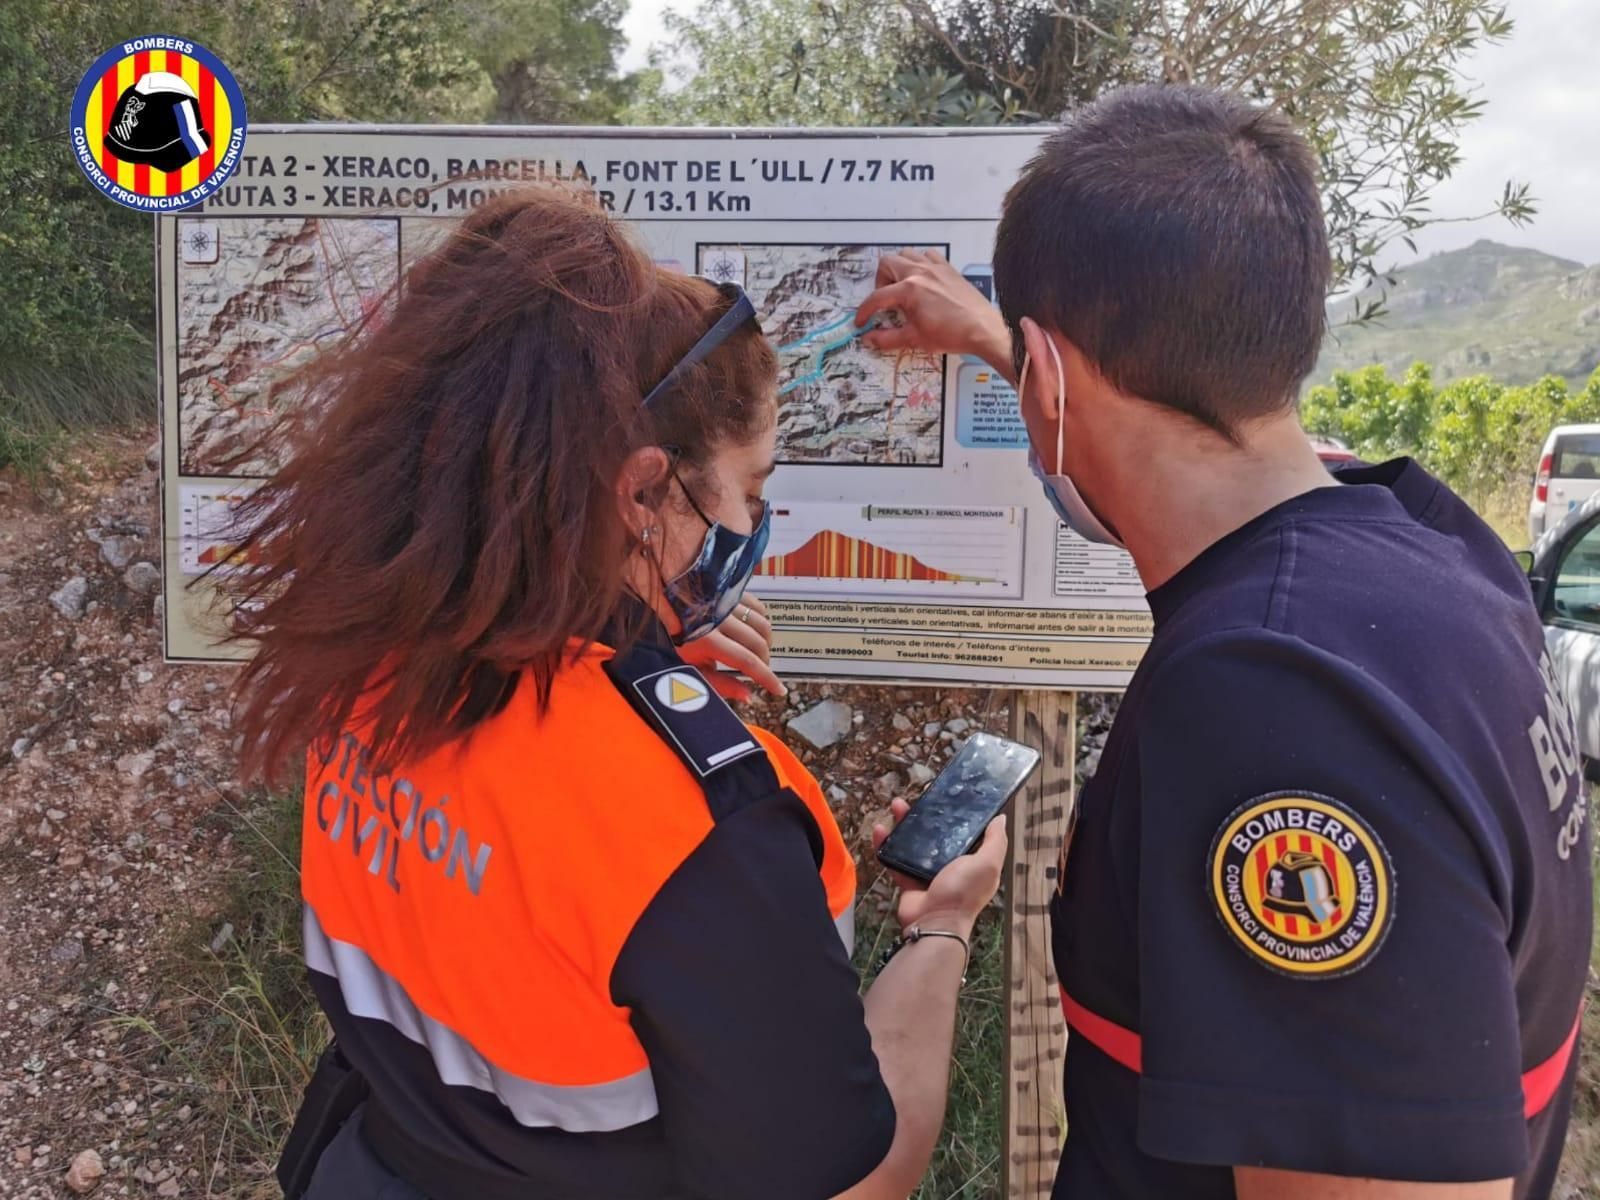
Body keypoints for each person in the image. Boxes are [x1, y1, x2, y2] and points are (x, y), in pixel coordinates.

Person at [856, 84, 1592, 1200]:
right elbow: (1165, 459)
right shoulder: (1433, 544)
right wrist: (1017, 353)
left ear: (1046, 376)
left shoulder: (1273, 699)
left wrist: (1042, 367)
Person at [227, 187, 1007, 1200]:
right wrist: (943, 927)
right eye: (752, 490)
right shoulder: (706, 832)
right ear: (641, 492)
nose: (753, 523)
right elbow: (851, 1186)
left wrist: (634, 657)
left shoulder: (365, 657)